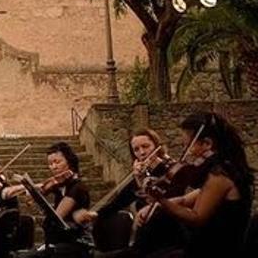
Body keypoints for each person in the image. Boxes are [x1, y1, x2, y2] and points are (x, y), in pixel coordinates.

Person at [145, 111, 254, 258]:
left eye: (189, 146)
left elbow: (196, 218)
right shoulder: (226, 168)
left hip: (216, 250)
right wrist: (155, 206)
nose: (188, 152)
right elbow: (185, 200)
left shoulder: (220, 175)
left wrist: (161, 200)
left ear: (207, 144)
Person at [81, 128, 187, 255]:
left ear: (156, 146)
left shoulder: (170, 170)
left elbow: (166, 199)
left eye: (146, 146)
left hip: (168, 233)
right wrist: (96, 214)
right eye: (136, 149)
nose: (142, 152)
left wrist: (140, 178)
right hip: (146, 234)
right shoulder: (144, 173)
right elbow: (119, 201)